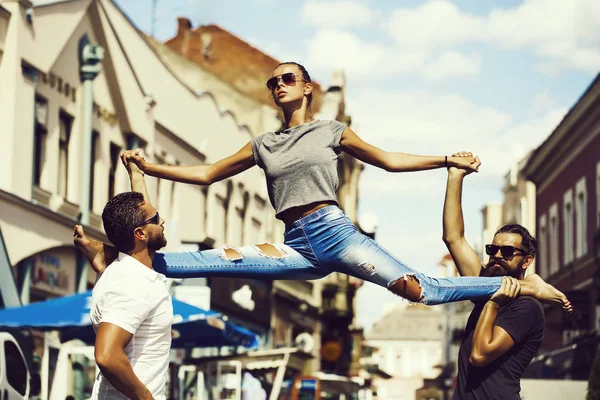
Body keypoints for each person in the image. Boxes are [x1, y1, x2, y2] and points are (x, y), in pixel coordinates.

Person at [76, 61, 571, 309]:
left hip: (336, 235)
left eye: (287, 78)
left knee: (422, 288)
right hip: (296, 245)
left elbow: (388, 161)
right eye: (272, 83)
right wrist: (147, 166)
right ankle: (115, 258)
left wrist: (446, 160)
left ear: (308, 87)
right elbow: (206, 174)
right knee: (214, 260)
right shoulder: (263, 144)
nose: (279, 85)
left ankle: (520, 286)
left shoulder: (331, 130)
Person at [442, 155, 568, 399]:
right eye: (493, 249)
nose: (498, 255)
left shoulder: (525, 306)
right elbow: (453, 238)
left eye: (508, 251)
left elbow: (479, 355)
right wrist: (455, 177)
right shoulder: (486, 285)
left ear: (527, 261)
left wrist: (493, 303)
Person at [75, 162, 171, 400]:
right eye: (156, 218)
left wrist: (136, 175)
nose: (162, 221)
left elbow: (144, 222)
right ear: (139, 234)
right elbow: (107, 355)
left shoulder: (126, 272)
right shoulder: (133, 282)